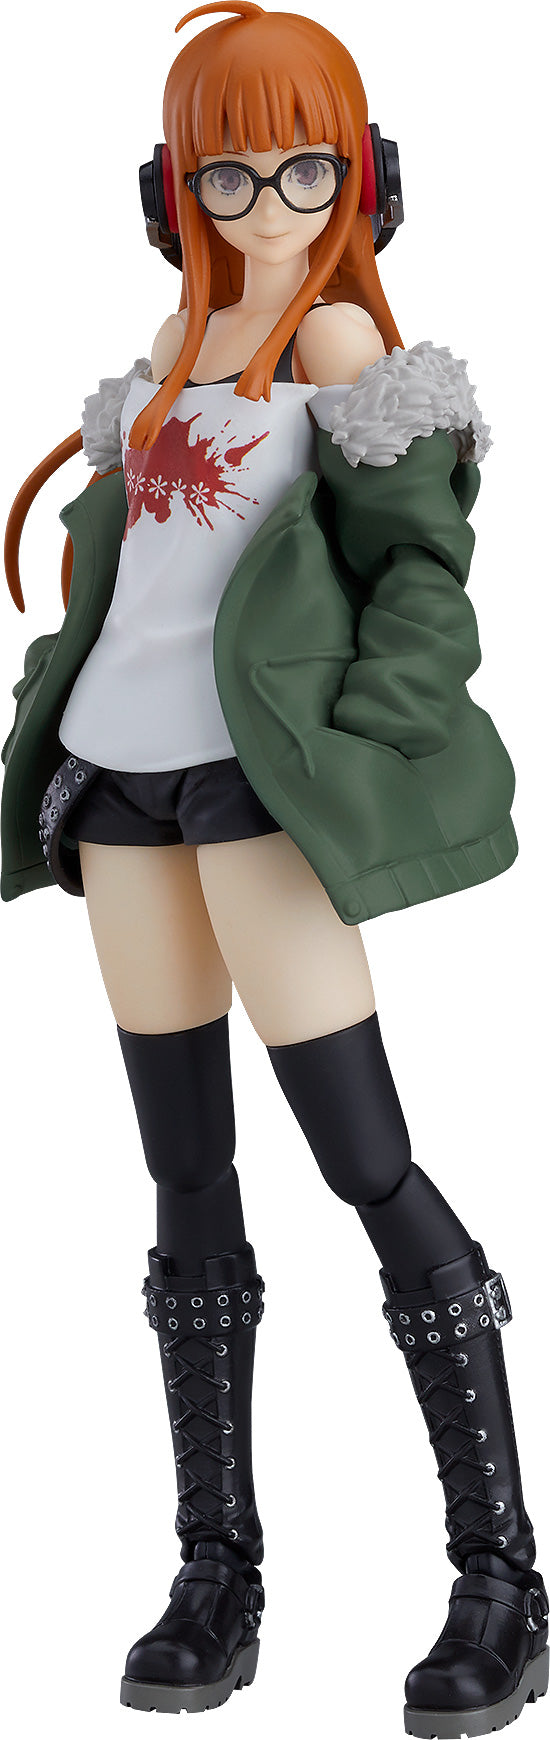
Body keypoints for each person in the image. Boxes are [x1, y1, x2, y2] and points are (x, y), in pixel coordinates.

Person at [2, 6, 547, 1733]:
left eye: (301, 166)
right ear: (173, 184)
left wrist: (359, 737)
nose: (266, 203)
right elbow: (132, 583)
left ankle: (498, 1574)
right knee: (183, 1181)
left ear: (359, 172)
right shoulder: (174, 342)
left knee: (364, 1162)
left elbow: (421, 578)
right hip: (117, 784)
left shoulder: (336, 345)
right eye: (225, 172)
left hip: (254, 792)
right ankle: (215, 1572)